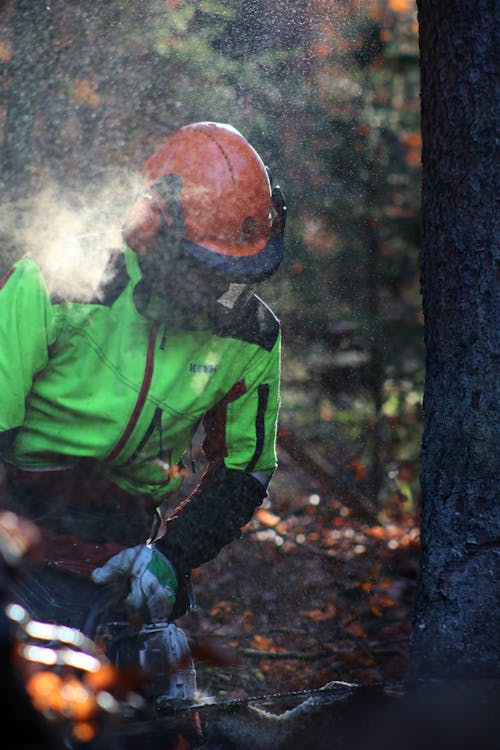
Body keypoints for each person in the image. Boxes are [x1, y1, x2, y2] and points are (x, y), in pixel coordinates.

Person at [0, 121, 286, 633]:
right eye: (206, 270)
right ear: (155, 232)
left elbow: (245, 470)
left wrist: (174, 557)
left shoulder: (252, 336)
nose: (222, 291)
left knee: (152, 691)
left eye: (237, 276)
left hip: (128, 534)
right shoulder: (61, 278)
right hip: (19, 509)